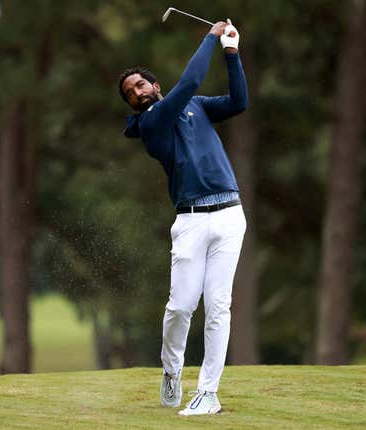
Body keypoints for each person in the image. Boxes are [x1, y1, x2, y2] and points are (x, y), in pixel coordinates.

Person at [118, 20, 248, 416]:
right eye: (130, 93)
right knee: (180, 308)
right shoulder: (150, 124)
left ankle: (208, 392)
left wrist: (232, 54)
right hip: (190, 221)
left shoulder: (195, 106)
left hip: (229, 214)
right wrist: (210, 38)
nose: (137, 93)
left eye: (141, 85)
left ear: (155, 85)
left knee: (219, 305)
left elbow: (238, 102)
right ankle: (172, 370)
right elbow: (188, 83)